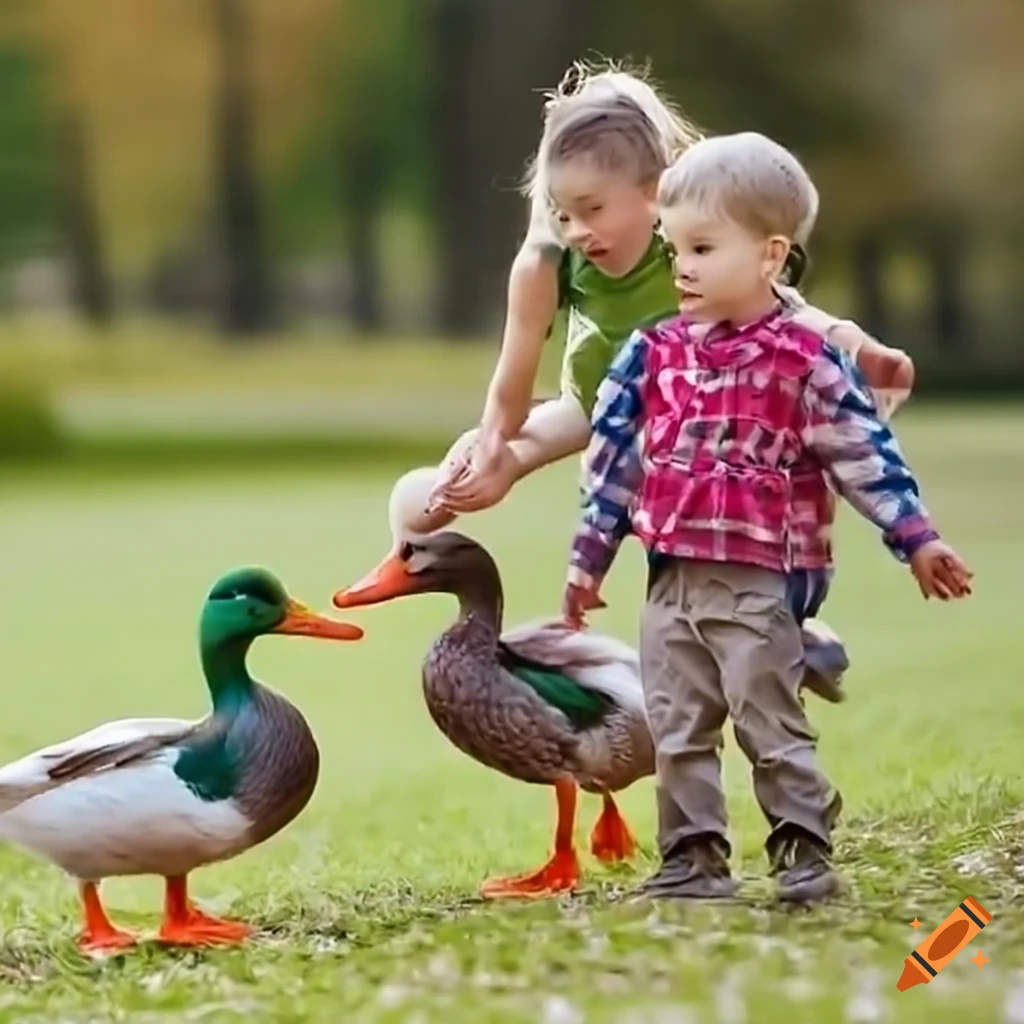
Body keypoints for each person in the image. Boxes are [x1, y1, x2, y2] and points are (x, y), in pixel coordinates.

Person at [560, 131, 973, 903]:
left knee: (766, 722)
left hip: (760, 581)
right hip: (670, 580)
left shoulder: (806, 364)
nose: (680, 265)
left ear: (770, 256)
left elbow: (865, 455)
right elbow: (613, 466)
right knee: (678, 727)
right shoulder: (651, 355)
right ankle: (693, 857)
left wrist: (916, 539)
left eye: (702, 247)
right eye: (672, 246)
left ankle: (804, 846)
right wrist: (587, 564)